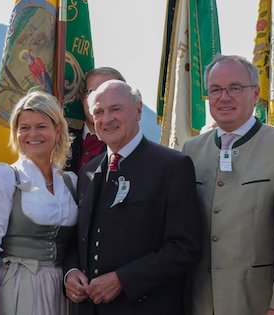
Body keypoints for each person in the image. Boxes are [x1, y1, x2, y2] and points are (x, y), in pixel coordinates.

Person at [182, 55, 274, 315]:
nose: (224, 97)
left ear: (256, 93)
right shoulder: (191, 149)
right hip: (199, 303)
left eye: (235, 88)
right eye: (215, 90)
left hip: (258, 304)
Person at [64, 80, 202, 314]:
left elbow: (185, 247)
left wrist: (122, 280)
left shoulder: (172, 166)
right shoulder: (87, 172)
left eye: (116, 109)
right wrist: (71, 270)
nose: (106, 119)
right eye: (98, 112)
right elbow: (80, 238)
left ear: (138, 111)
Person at [0, 91, 78, 315]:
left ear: (57, 130)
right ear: (15, 132)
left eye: (41, 126)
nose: (32, 134)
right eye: (24, 127)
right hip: (19, 289)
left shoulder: (70, 183)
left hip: (62, 292)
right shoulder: (4, 177)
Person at [65, 67, 123, 173]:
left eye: (108, 94)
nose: (98, 100)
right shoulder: (61, 141)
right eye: (92, 93)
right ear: (83, 98)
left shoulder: (128, 147)